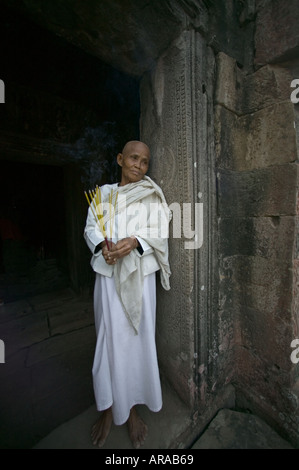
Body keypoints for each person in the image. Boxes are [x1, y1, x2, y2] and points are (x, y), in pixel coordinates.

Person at [84, 140, 171, 448]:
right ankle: (109, 408)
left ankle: (130, 410)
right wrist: (103, 247)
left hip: (140, 279)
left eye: (145, 161)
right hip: (109, 279)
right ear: (120, 159)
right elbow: (91, 228)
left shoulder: (151, 194)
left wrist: (135, 241)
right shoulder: (104, 195)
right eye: (133, 158)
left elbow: (160, 230)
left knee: (136, 342)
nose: (139, 165)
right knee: (109, 340)